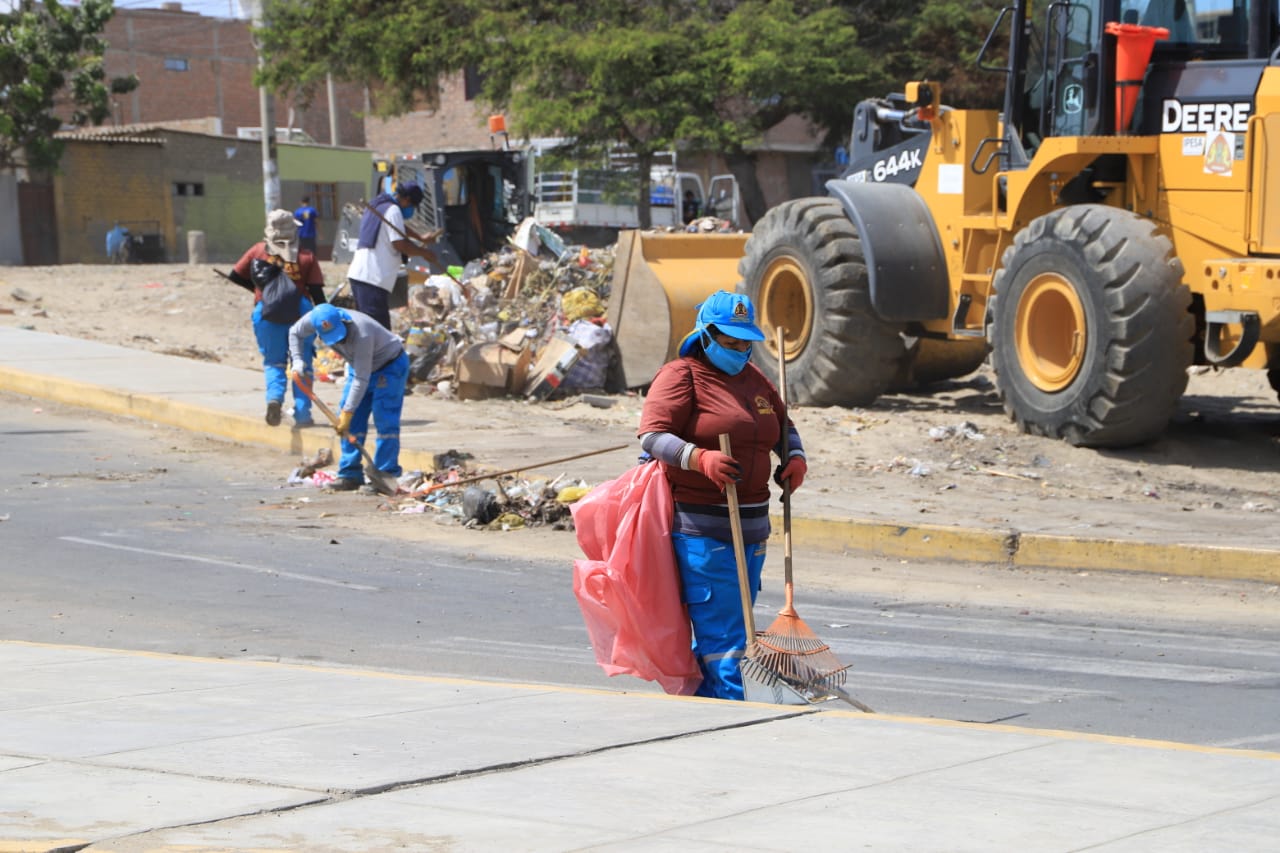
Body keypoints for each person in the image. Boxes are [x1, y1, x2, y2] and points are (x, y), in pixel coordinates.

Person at [636, 290, 807, 701]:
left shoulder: (758, 381)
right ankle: (732, 712)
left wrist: (795, 458)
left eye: (744, 342)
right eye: (729, 342)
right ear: (707, 336)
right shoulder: (682, 375)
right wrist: (699, 459)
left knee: (734, 624)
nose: (739, 350)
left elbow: (784, 429)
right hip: (703, 530)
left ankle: (700, 708)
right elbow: (652, 437)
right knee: (727, 635)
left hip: (752, 528)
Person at [288, 303, 409, 492]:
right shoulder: (314, 319)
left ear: (342, 321)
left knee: (385, 421)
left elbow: (361, 379)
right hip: (358, 367)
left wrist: (347, 412)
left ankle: (387, 473)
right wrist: (297, 360)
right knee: (350, 424)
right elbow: (294, 332)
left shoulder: (362, 332)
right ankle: (350, 474)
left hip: (389, 366)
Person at [226, 209, 327, 427]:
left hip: (267, 312)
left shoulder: (258, 251)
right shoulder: (305, 255)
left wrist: (258, 291)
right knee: (302, 364)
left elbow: (235, 275)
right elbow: (318, 294)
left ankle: (274, 399)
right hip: (300, 313)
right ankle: (302, 414)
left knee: (274, 362)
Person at [347, 181, 438, 331]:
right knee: (380, 334)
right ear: (407, 200)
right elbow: (400, 244)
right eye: (413, 206)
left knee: (368, 330)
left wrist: (420, 238)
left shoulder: (379, 204)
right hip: (372, 279)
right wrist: (424, 253)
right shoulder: (393, 209)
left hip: (360, 276)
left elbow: (398, 227)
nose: (411, 210)